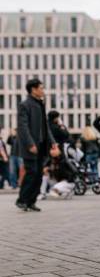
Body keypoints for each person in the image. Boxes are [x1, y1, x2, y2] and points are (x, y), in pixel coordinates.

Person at [16, 78, 60, 211]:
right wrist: (30, 144)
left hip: (41, 146)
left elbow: (45, 126)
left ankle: (31, 201)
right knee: (32, 172)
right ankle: (22, 200)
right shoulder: (25, 105)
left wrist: (53, 143)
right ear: (33, 89)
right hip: (31, 147)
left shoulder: (40, 104)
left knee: (38, 174)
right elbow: (22, 127)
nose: (43, 90)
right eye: (41, 88)